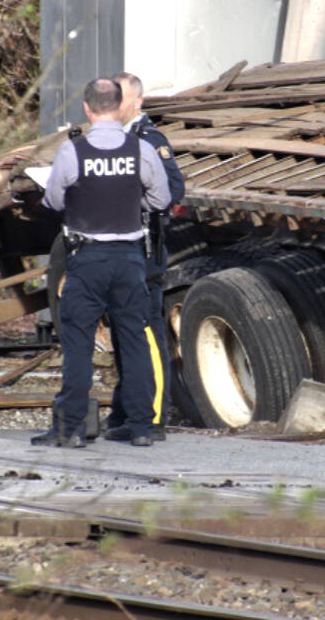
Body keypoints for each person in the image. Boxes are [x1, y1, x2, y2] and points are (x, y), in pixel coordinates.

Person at [33, 78, 171, 448]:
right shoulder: (140, 149)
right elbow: (160, 200)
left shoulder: (72, 151)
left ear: (88, 108)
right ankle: (142, 427)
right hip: (129, 260)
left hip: (88, 258)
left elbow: (54, 201)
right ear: (119, 104)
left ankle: (70, 428)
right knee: (134, 340)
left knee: (77, 342)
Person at [104, 72, 185, 442]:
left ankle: (152, 416)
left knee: (146, 333)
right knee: (124, 336)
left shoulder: (150, 141)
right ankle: (125, 409)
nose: (111, 105)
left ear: (137, 102)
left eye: (117, 98)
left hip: (144, 251)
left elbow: (173, 189)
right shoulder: (108, 140)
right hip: (118, 249)